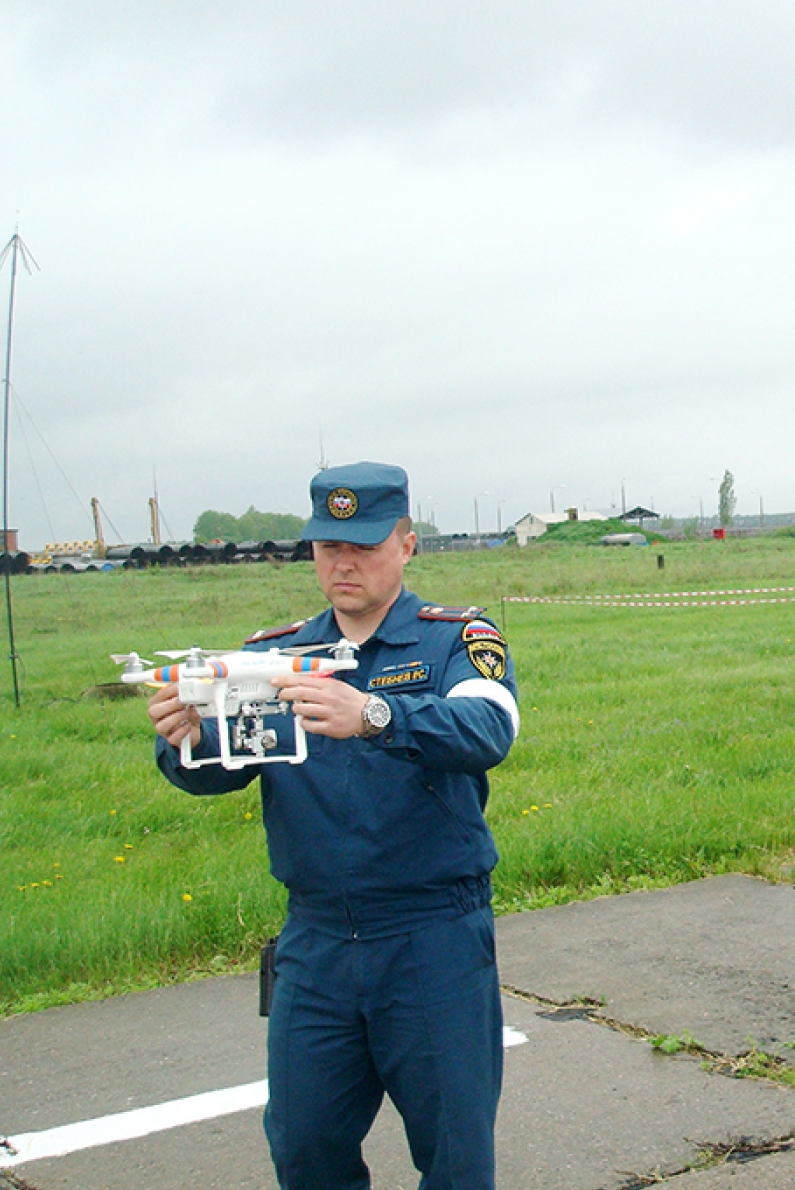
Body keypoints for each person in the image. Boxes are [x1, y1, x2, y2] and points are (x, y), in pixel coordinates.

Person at [148, 462, 519, 1190]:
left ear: (407, 546)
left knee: (455, 1155)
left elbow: (488, 728)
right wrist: (184, 740)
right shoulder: (274, 655)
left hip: (431, 937)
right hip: (316, 942)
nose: (343, 563)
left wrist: (376, 714)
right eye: (327, 547)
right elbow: (221, 769)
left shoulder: (454, 640)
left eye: (364, 545)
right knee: (304, 1145)